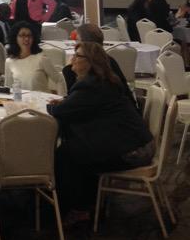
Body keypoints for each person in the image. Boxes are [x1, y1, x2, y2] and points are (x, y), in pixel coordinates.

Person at [50, 42, 154, 221]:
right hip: (139, 142)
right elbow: (80, 105)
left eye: (77, 56)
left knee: (65, 155)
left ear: (90, 62)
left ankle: (77, 208)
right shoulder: (102, 81)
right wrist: (67, 103)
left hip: (133, 152)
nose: (72, 59)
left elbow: (60, 111)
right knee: (76, 149)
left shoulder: (90, 85)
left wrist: (51, 107)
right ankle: (89, 202)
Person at [60, 22, 130, 96]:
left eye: (77, 40)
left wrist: (68, 68)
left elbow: (74, 97)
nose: (75, 44)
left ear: (85, 44)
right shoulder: (110, 60)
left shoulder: (82, 65)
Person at [4, 22, 58, 92]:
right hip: (20, 98)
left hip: (41, 98)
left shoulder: (41, 58)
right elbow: (8, 88)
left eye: (29, 35)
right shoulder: (9, 62)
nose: (27, 39)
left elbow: (59, 80)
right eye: (22, 35)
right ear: (15, 38)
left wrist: (63, 98)